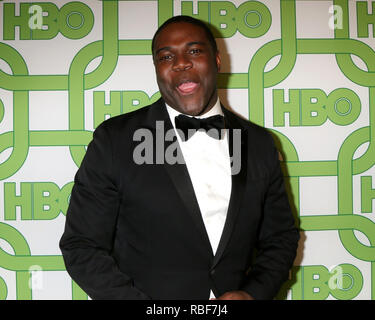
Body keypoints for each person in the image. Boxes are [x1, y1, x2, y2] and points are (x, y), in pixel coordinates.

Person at [59, 15, 300, 300]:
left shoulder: (258, 143)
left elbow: (280, 237)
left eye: (195, 51)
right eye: (166, 56)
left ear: (218, 60)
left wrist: (252, 294)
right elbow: (82, 245)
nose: (181, 63)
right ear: (157, 69)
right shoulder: (115, 140)